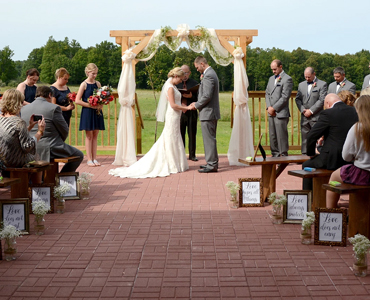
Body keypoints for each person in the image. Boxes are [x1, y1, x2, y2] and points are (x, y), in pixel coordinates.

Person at [109, 67, 190, 178]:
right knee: (170, 136)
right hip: (172, 114)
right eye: (180, 79)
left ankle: (175, 162)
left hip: (176, 115)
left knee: (173, 137)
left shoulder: (173, 86)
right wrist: (188, 108)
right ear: (175, 76)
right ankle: (172, 163)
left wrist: (183, 107)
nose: (181, 81)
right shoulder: (170, 88)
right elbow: (172, 105)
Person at [21, 86, 83, 173]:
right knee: (79, 155)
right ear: (50, 95)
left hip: (30, 147)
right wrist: (60, 141)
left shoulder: (23, 109)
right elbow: (64, 129)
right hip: (51, 146)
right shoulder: (54, 108)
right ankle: (62, 179)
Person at [302, 93, 358, 190]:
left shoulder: (328, 113)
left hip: (332, 159)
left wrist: (311, 153)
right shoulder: (354, 111)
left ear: (327, 103)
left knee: (306, 165)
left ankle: (309, 197)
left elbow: (312, 135)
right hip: (350, 158)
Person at [326, 95, 370, 208]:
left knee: (334, 177)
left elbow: (346, 156)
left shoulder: (357, 128)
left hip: (362, 173)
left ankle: (331, 212)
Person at [0, 89, 45, 170]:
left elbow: (13, 135)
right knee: (37, 156)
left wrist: (30, 126)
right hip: (14, 161)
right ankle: (36, 182)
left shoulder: (1, 119)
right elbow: (28, 147)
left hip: (2, 159)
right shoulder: (18, 122)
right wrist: (40, 132)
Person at [190, 56, 220, 173]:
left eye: (197, 67)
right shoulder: (209, 74)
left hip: (208, 112)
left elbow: (207, 96)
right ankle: (211, 162)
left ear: (202, 64)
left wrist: (196, 105)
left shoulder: (209, 76)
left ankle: (212, 164)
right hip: (208, 112)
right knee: (209, 139)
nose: (197, 69)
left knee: (209, 139)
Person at [75, 63, 104, 167]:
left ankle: (95, 158)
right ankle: (89, 159)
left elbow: (101, 97)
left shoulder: (98, 84)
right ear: (87, 73)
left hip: (97, 111)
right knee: (89, 136)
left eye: (96, 73)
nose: (95, 75)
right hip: (87, 111)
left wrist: (101, 105)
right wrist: (90, 105)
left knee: (95, 135)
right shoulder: (84, 84)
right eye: (93, 73)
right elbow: (77, 100)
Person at [295, 67, 327, 154]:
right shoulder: (301, 85)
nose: (307, 78)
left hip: (316, 116)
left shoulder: (322, 84)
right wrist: (302, 110)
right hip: (304, 116)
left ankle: (317, 156)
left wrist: (311, 111)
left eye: (309, 77)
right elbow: (297, 99)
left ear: (314, 74)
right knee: (304, 138)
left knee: (318, 137)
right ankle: (304, 157)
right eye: (305, 76)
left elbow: (322, 100)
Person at [265, 59, 293, 157]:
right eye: (272, 69)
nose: (273, 71)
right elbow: (267, 93)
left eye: (275, 69)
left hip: (281, 112)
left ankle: (283, 156)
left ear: (281, 67)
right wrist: (269, 107)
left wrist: (274, 108)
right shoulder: (271, 79)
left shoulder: (287, 79)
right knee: (272, 136)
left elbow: (285, 96)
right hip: (271, 112)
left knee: (281, 136)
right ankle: (275, 155)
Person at [176, 64, 199, 161]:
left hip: (191, 112)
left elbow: (200, 98)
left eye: (186, 73)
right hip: (180, 113)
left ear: (189, 73)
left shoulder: (195, 83)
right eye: (182, 72)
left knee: (192, 134)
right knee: (180, 134)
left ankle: (192, 155)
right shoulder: (176, 84)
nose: (184, 75)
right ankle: (181, 155)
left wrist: (191, 97)